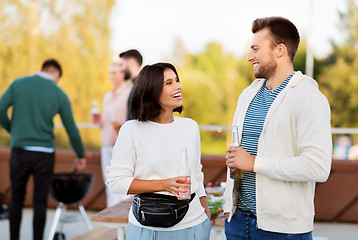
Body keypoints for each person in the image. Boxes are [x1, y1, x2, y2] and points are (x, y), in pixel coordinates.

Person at [223, 17, 332, 239]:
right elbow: (237, 154)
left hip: (282, 231)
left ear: (280, 50)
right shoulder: (247, 95)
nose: (249, 56)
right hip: (237, 223)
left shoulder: (309, 98)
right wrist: (228, 202)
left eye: (256, 49)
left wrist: (254, 163)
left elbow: (318, 167)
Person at [106, 63, 211, 240]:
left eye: (177, 80)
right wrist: (163, 184)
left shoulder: (190, 126)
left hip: (193, 226)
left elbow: (196, 175)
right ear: (152, 91)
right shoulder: (131, 129)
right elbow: (116, 181)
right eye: (169, 83)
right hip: (146, 229)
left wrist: (205, 213)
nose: (178, 86)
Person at [0, 59, 86, 240]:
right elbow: (71, 129)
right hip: (45, 154)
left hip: (20, 150)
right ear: (56, 75)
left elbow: (1, 109)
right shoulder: (58, 93)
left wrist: (13, 130)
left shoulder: (18, 84)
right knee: (40, 202)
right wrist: (80, 155)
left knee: (16, 198)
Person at [98, 61, 132, 207]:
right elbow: (104, 123)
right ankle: (110, 223)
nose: (110, 76)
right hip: (106, 145)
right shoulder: (107, 96)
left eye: (114, 73)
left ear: (123, 74)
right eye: (109, 73)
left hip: (122, 145)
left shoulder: (130, 94)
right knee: (109, 185)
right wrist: (98, 120)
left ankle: (124, 222)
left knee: (124, 185)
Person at [118, 49, 143, 120]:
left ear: (131, 63)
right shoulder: (136, 85)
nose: (120, 69)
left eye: (121, 65)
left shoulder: (140, 87)